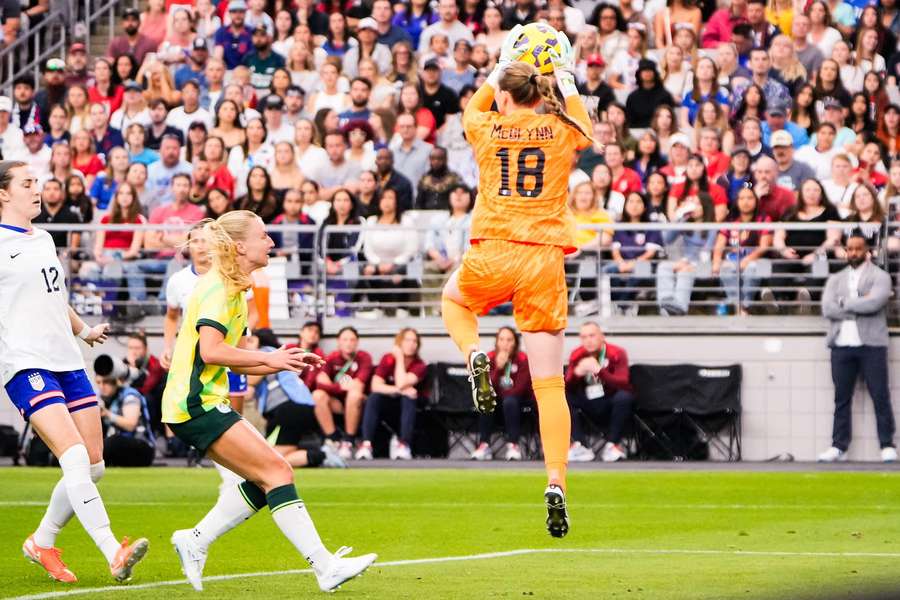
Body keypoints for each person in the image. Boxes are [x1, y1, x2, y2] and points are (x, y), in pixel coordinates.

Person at [164, 211, 376, 592]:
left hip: (203, 400)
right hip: (193, 404)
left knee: (268, 477)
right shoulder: (219, 289)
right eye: (264, 236)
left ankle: (194, 540)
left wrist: (281, 360)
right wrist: (271, 358)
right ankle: (324, 567)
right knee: (278, 473)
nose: (272, 243)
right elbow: (212, 351)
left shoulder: (236, 287)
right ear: (240, 246)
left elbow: (236, 362)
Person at [441, 27, 592, 538]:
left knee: (453, 302)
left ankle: (473, 353)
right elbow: (586, 129)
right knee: (551, 386)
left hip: (492, 249)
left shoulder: (486, 127)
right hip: (543, 260)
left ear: (505, 95)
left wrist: (500, 63)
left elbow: (471, 110)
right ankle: (555, 481)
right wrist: (565, 76)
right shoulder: (558, 128)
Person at [0, 161, 149, 584]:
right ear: (3, 195)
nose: (38, 189)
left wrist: (84, 331)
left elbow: (54, 297)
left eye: (38, 182)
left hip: (67, 360)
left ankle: (42, 541)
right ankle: (111, 549)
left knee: (94, 464)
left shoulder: (44, 238)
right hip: (26, 364)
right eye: (27, 183)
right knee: (75, 457)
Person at [819, 231, 896, 463]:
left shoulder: (880, 276)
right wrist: (858, 304)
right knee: (841, 399)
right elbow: (828, 309)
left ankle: (887, 445)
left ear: (867, 251)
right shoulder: (836, 279)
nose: (853, 253)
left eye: (858, 248)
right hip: (841, 345)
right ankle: (838, 446)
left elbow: (875, 303)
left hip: (871, 344)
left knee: (880, 395)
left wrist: (845, 303)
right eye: (850, 249)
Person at [355, 328, 428, 461]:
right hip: (388, 407)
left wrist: (399, 359)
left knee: (408, 397)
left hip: (410, 410)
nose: (411, 344)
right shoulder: (388, 359)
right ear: (399, 342)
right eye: (407, 340)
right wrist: (399, 390)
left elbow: (401, 382)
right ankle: (366, 445)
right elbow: (375, 386)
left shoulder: (420, 365)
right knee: (374, 397)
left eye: (415, 341)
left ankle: (404, 445)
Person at [565, 322, 633, 463]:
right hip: (587, 399)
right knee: (563, 398)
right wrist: (577, 373)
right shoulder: (577, 354)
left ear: (602, 337)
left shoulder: (616, 353)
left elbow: (623, 383)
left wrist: (599, 371)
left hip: (609, 398)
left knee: (625, 397)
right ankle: (580, 446)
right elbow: (566, 386)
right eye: (583, 337)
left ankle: (612, 445)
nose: (588, 340)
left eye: (592, 335)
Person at [470, 327, 531, 462]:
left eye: (509, 340)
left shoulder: (522, 359)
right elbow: (485, 387)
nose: (505, 343)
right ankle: (484, 445)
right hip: (495, 402)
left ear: (515, 342)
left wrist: (503, 393)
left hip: (517, 403)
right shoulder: (489, 357)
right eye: (501, 339)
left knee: (510, 401)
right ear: (497, 342)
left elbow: (520, 388)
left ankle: (513, 445)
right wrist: (498, 368)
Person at [313, 326, 374, 460]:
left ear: (357, 342)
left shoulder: (364, 357)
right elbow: (320, 383)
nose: (348, 343)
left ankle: (348, 440)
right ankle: (333, 439)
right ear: (339, 342)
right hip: (338, 403)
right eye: (345, 339)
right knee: (318, 395)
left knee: (354, 395)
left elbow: (357, 386)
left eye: (352, 340)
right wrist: (340, 387)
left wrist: (331, 386)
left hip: (360, 403)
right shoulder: (331, 358)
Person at [96, 375, 155, 468]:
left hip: (142, 446)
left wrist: (107, 414)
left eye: (106, 382)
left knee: (113, 442)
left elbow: (131, 425)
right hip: (119, 447)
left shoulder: (129, 395)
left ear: (115, 382)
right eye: (98, 383)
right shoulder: (100, 397)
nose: (101, 387)